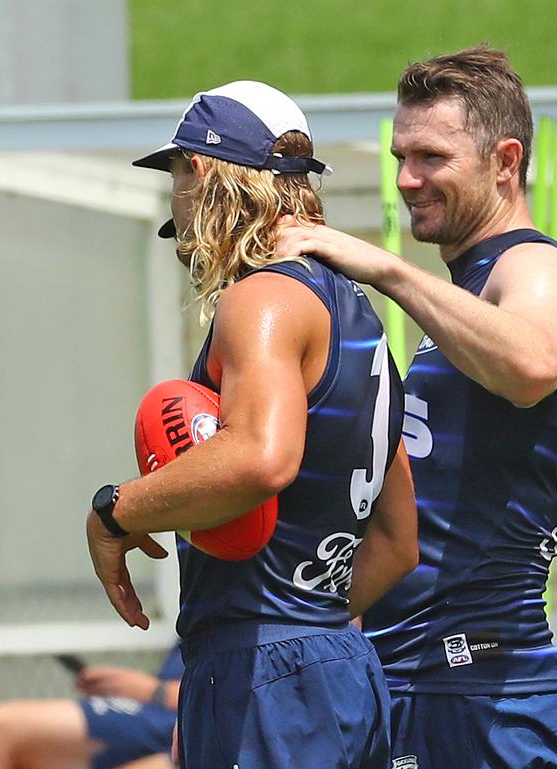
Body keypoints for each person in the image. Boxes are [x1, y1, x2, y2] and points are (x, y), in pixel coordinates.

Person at [277, 45, 557, 769]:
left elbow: (533, 365)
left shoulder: (536, 266)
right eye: (399, 156)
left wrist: (384, 268)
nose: (405, 179)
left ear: (505, 160)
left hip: (476, 688)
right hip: (416, 679)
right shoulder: (468, 297)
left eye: (430, 156)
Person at [87, 80, 419, 769]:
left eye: (176, 176)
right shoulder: (361, 321)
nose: (175, 205)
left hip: (268, 672)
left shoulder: (261, 298)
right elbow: (397, 539)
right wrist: (308, 633)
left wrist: (115, 511)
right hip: (339, 665)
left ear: (202, 175)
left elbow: (261, 458)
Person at [0, 646, 183, 769]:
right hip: (156, 707)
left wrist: (154, 690)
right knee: (0, 729)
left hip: (182, 718)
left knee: (1, 728)